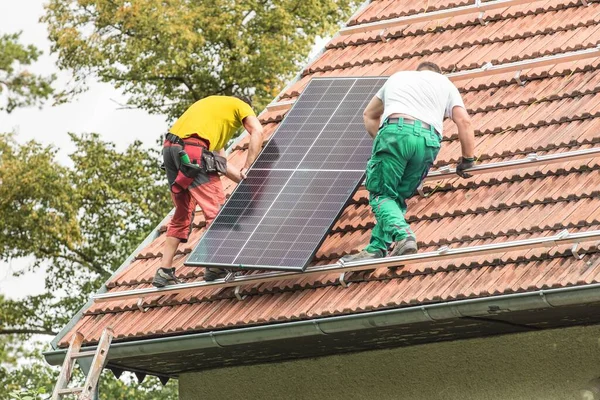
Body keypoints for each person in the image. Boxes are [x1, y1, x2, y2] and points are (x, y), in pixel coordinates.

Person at [341, 61, 475, 263]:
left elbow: (369, 114)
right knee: (394, 199)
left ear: (418, 71)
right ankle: (377, 248)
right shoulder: (445, 83)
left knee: (380, 194)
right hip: (428, 142)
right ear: (438, 72)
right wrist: (468, 159)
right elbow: (464, 121)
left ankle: (404, 236)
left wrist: (385, 141)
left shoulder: (398, 77)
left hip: (396, 132)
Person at [152, 95, 263, 286]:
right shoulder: (240, 106)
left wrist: (244, 180)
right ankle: (215, 264)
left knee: (183, 212)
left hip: (170, 150)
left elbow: (220, 163)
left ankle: (164, 271)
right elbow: (258, 131)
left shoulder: (214, 111)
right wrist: (249, 167)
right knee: (217, 210)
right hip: (193, 151)